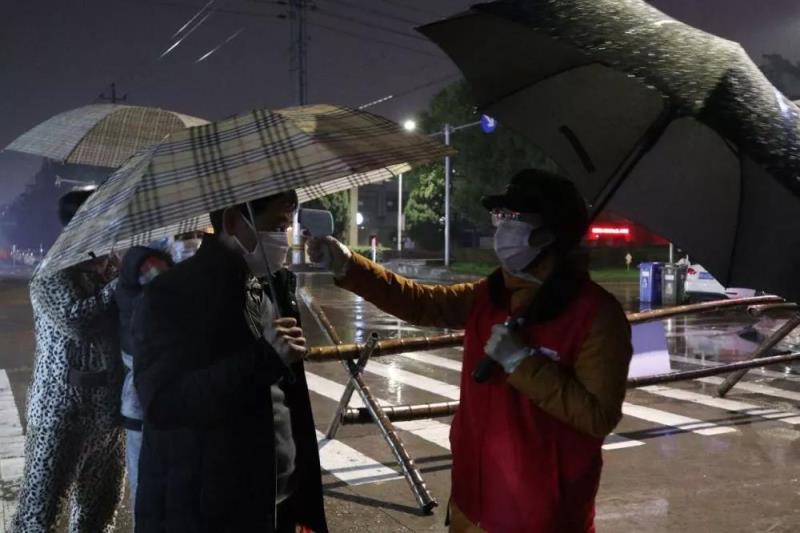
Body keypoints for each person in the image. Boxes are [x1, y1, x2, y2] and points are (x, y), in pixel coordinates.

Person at [309, 169, 633, 533]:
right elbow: (422, 303)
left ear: (548, 233)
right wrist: (348, 265)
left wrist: (522, 362)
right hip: (471, 503)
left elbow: (598, 416)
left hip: (541, 517)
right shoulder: (490, 295)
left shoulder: (596, 315)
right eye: (500, 216)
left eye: (514, 217)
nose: (502, 227)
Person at [132, 191, 327, 533]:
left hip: (280, 499)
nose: (283, 240)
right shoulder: (173, 294)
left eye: (287, 228)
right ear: (234, 221)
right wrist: (264, 358)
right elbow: (163, 402)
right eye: (275, 227)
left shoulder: (270, 284)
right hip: (212, 511)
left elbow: (285, 397)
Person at [13, 190, 125, 533]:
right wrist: (120, 284)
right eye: (104, 221)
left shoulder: (105, 270)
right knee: (39, 515)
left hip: (108, 415)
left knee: (99, 513)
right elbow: (77, 320)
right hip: (60, 415)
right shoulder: (52, 271)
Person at [116, 244, 173, 516]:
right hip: (142, 406)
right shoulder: (140, 300)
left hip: (155, 403)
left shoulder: (138, 291)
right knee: (146, 490)